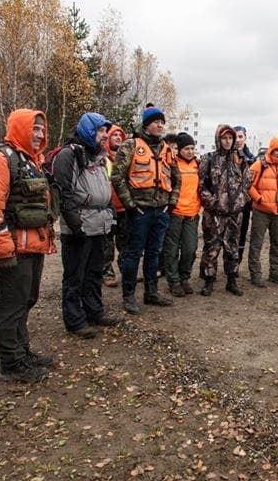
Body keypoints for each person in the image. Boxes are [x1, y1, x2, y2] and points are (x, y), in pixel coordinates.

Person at [0, 110, 56, 382]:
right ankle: (10, 363)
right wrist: (1, 251)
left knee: (26, 301)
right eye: (34, 129)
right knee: (11, 304)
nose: (40, 134)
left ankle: (22, 351)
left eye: (42, 130)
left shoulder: (31, 161)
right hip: (14, 249)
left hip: (33, 247)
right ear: (20, 128)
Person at [52, 112, 119, 338]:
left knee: (94, 273)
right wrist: (76, 225)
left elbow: (105, 189)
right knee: (75, 275)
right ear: (88, 131)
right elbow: (65, 194)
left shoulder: (101, 157)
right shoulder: (68, 155)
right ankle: (74, 320)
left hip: (99, 224)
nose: (104, 136)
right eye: (100, 131)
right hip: (79, 227)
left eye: (105, 132)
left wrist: (111, 217)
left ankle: (94, 311)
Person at [111, 106, 181, 314]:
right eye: (156, 121)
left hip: (161, 211)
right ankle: (128, 296)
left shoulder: (167, 150)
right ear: (146, 124)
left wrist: (172, 203)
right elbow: (117, 177)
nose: (160, 125)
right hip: (139, 212)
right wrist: (130, 205)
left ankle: (151, 293)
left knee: (154, 253)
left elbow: (177, 179)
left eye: (162, 122)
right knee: (133, 254)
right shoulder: (131, 146)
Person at [198, 124, 250, 295]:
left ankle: (231, 281)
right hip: (214, 214)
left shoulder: (240, 161)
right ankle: (209, 281)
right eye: (224, 138)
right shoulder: (209, 159)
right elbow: (201, 187)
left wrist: (239, 203)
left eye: (230, 138)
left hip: (234, 214)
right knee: (211, 249)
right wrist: (214, 203)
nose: (227, 141)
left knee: (232, 248)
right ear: (218, 139)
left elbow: (246, 185)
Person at [247, 136, 278, 287]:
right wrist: (259, 199)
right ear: (271, 150)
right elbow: (248, 185)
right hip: (261, 211)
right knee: (257, 243)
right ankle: (255, 274)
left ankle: (275, 273)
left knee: (277, 244)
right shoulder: (258, 165)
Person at [162, 132, 201, 296]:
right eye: (186, 148)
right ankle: (174, 281)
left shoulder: (198, 165)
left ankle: (184, 277)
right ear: (179, 149)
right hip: (175, 214)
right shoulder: (172, 164)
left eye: (192, 148)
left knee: (190, 249)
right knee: (171, 250)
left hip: (192, 214)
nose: (190, 151)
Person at [102, 125, 127, 288]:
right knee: (107, 244)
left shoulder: (126, 157)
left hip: (125, 207)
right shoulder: (102, 159)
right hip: (107, 207)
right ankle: (106, 271)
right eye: (114, 135)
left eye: (120, 135)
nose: (118, 137)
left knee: (125, 243)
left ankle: (126, 270)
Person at [234, 126, 256, 263]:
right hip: (229, 202)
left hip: (245, 204)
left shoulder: (252, 159)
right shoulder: (226, 156)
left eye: (240, 136)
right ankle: (228, 261)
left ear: (245, 138)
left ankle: (238, 261)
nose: (237, 140)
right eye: (235, 136)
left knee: (242, 232)